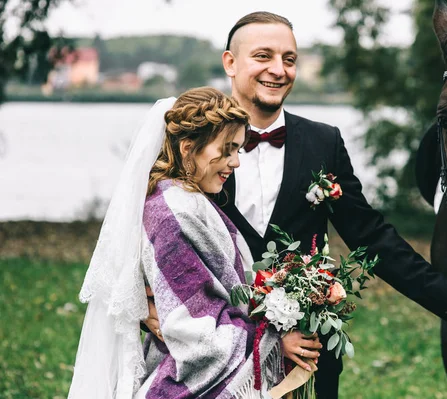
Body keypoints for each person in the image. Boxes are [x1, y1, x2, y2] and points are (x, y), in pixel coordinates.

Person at [144, 12, 447, 398]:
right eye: (263, 56)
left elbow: (370, 233)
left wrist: (445, 294)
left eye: (289, 59)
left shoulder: (323, 142)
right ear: (230, 62)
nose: (278, 70)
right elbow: (157, 240)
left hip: (310, 358)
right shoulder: (194, 148)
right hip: (218, 364)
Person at [68, 87, 321, 399]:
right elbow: (196, 330)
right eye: (226, 150)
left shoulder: (178, 198)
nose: (235, 163)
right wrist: (272, 344)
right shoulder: (177, 214)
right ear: (188, 147)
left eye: (238, 151)